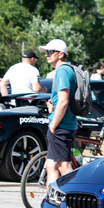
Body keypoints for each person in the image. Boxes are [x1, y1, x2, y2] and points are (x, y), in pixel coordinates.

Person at [39, 39, 78, 193]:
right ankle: (48, 204)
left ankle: (72, 201)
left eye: (51, 52)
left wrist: (53, 125)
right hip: (63, 123)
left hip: (61, 125)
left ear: (61, 54)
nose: (47, 55)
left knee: (64, 166)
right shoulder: (66, 70)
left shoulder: (62, 71)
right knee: (51, 165)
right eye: (46, 52)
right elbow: (60, 100)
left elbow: (63, 101)